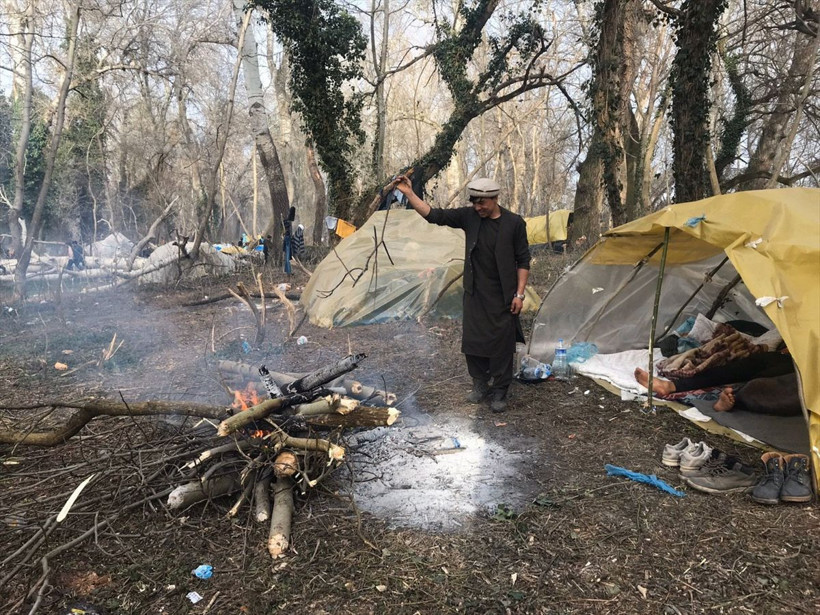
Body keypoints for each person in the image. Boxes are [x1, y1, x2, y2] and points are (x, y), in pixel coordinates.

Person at [394, 175, 530, 412]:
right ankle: (480, 384)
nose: (477, 207)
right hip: (475, 292)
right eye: (474, 202)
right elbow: (434, 215)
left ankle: (500, 389)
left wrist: (519, 295)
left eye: (482, 203)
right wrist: (409, 193)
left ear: (495, 199)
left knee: (501, 343)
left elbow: (523, 261)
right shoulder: (470, 217)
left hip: (504, 296)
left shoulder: (514, 223)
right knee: (474, 342)